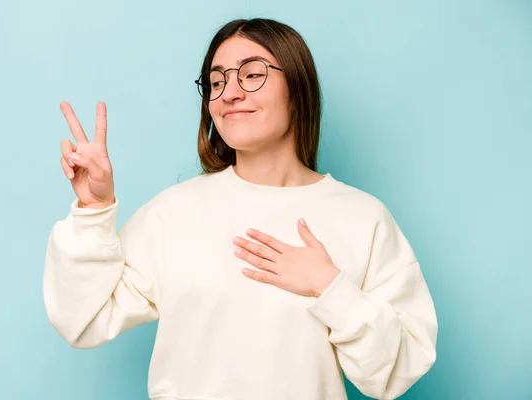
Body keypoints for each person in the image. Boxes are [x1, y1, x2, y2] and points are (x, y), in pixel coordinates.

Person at [44, 18, 438, 400]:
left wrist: (331, 288)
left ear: (298, 89)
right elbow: (84, 319)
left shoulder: (362, 218)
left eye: (251, 75)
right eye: (217, 82)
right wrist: (92, 209)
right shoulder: (173, 213)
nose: (229, 92)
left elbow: (398, 372)